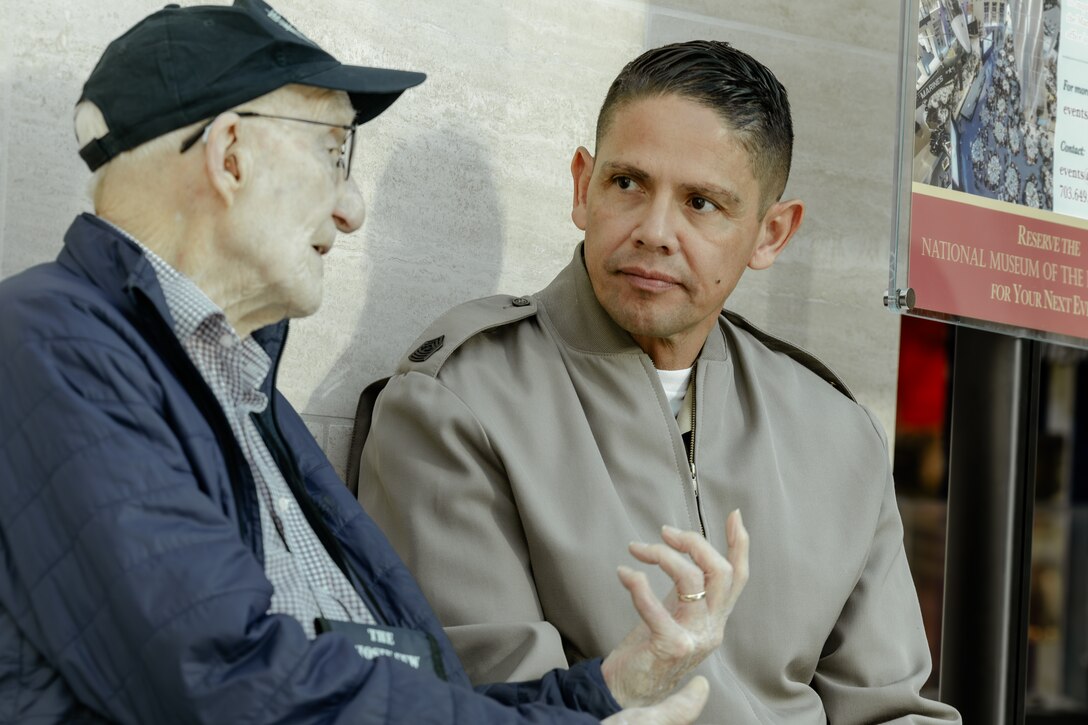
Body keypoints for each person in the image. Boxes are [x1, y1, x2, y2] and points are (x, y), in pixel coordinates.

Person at [0, 4, 749, 722]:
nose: (352, 207)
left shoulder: (229, 389)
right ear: (230, 155)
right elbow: (230, 682)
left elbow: (391, 686)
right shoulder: (51, 348)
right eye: (334, 153)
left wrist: (607, 691)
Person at [359, 40, 963, 723]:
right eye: (627, 184)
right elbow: (492, 704)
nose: (654, 230)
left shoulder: (835, 432)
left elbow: (891, 708)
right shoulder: (460, 400)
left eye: (702, 203)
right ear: (582, 187)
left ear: (771, 234)